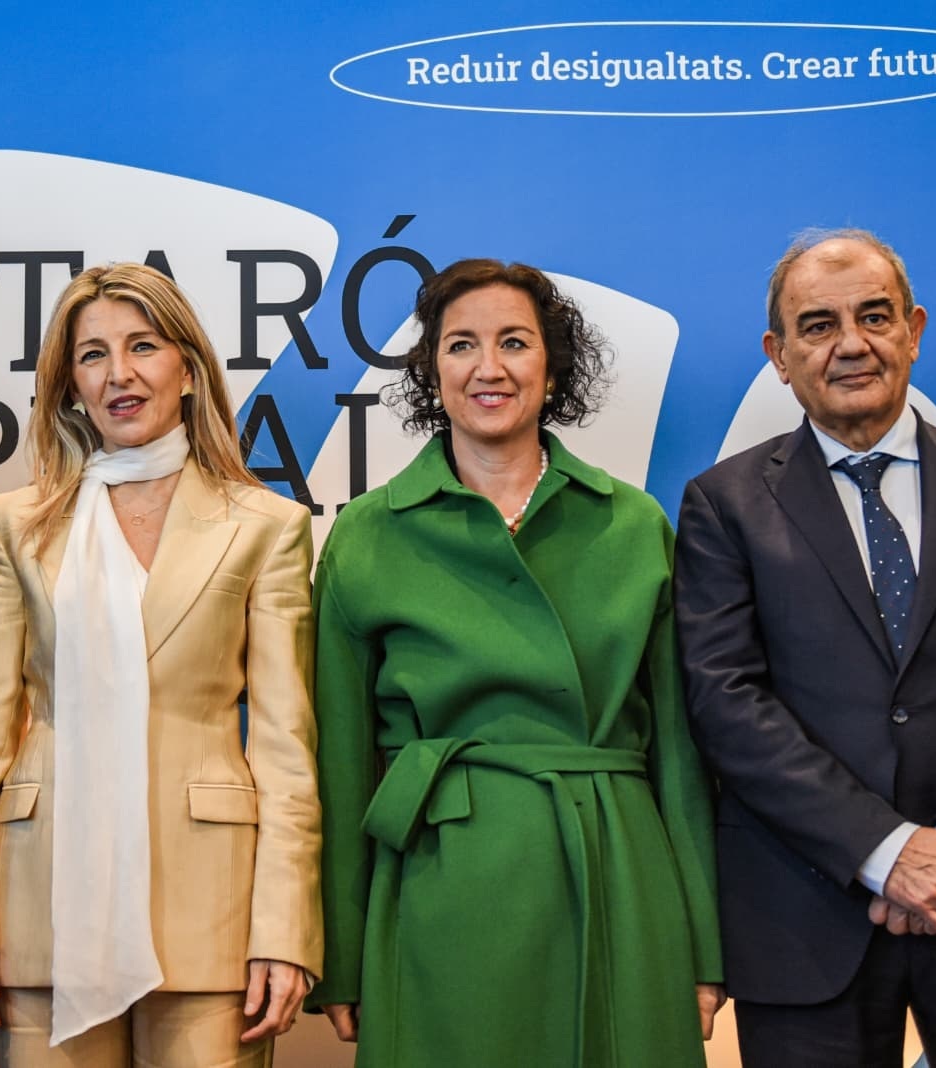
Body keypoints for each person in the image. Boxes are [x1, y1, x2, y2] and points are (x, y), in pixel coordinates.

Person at [675, 228, 936, 1066]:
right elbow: (727, 703)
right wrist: (887, 852)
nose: (852, 344)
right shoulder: (723, 506)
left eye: (874, 316)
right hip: (806, 922)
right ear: (778, 355)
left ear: (913, 330)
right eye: (818, 325)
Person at [307, 258, 723, 1067]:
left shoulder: (633, 525)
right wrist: (343, 957)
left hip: (617, 874)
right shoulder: (368, 534)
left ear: (552, 366)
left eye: (514, 342)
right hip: (441, 878)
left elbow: (683, 753)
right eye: (461, 344)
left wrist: (704, 944)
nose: (488, 367)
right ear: (432, 371)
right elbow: (341, 766)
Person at [0, 262, 321, 1066]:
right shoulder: (16, 525)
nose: (120, 373)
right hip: (40, 901)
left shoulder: (265, 526)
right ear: (70, 387)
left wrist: (284, 928)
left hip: (212, 907)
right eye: (93, 355)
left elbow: (285, 749)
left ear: (189, 369)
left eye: (143, 346)